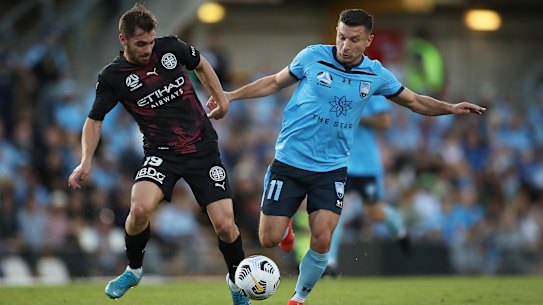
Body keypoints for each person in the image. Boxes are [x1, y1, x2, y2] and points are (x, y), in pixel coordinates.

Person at [208, 8, 486, 305]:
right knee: (269, 239)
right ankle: (285, 225)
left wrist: (452, 107)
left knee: (323, 237)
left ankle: (298, 299)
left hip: (332, 169)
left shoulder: (376, 74)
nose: (345, 45)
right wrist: (232, 95)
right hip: (289, 162)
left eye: (354, 39)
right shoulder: (312, 56)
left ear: (369, 40)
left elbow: (416, 102)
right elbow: (275, 82)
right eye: (341, 37)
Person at [67, 4, 250, 305]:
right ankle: (134, 270)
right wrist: (86, 159)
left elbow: (201, 64)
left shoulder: (171, 48)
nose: (148, 49)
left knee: (225, 225)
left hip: (202, 149)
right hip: (161, 154)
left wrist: (221, 99)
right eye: (141, 43)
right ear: (123, 40)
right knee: (138, 210)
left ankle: (236, 282)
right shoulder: (113, 77)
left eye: (151, 42)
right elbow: (94, 120)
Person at [326, 96, 409, 277]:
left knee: (374, 213)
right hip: (340, 163)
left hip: (366, 165)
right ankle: (330, 263)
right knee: (333, 211)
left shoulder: (370, 90)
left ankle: (400, 228)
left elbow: (385, 121)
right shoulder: (333, 90)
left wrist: (357, 117)